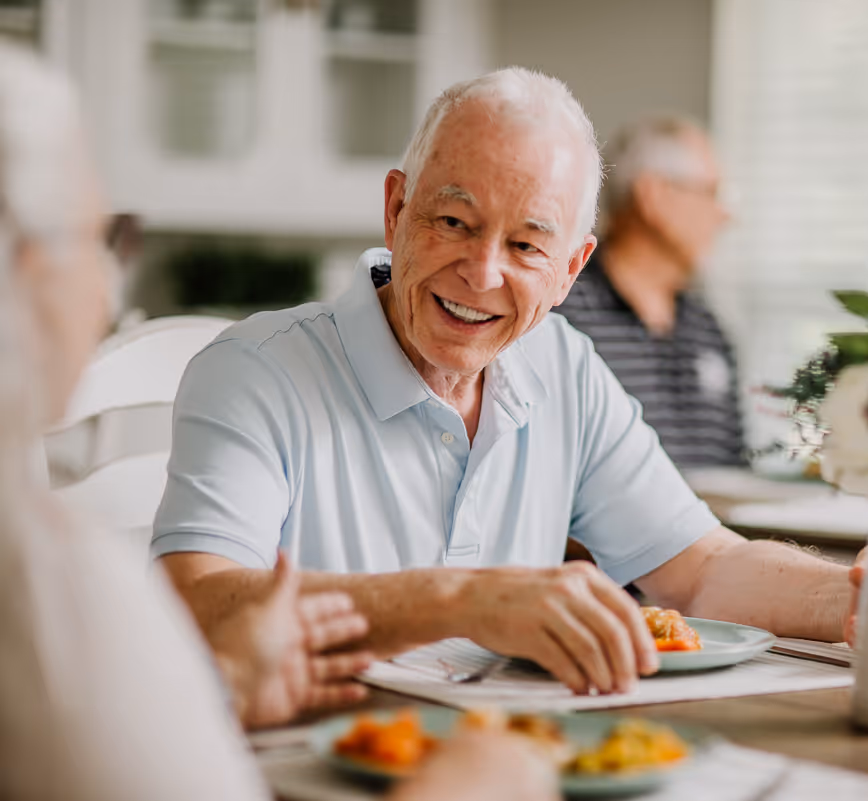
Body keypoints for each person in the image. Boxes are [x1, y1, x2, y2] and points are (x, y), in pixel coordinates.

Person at [154, 67, 866, 700]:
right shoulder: (255, 371)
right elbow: (198, 597)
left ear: (571, 268)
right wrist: (462, 598)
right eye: (455, 222)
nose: (483, 272)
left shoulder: (566, 367)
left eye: (526, 244)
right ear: (397, 210)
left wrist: (854, 598)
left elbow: (703, 569)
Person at [0, 45, 558, 801]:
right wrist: (477, 781)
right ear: (26, 268)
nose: (106, 285)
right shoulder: (52, 587)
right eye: (105, 239)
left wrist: (222, 686)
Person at [556, 116, 745, 468]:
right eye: (712, 193)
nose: (725, 215)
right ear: (654, 195)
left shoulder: (708, 327)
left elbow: (736, 470)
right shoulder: (562, 312)